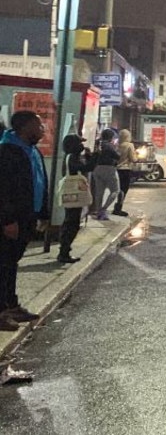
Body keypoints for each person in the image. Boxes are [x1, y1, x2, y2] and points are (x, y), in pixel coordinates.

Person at [0, 111, 49, 331]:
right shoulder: (8, 151)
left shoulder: (31, 150)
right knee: (3, 264)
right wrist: (8, 220)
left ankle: (11, 305)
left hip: (28, 215)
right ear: (25, 127)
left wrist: (43, 214)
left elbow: (40, 181)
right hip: (13, 220)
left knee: (11, 264)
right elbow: (4, 190)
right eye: (38, 125)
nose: (42, 129)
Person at [57, 133, 95, 264]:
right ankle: (64, 252)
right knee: (71, 224)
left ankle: (65, 251)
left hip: (73, 195)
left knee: (71, 222)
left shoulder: (72, 156)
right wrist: (93, 158)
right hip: (72, 195)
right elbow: (85, 168)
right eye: (79, 143)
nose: (82, 146)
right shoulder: (71, 157)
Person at [90, 128, 120, 220]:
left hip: (96, 169)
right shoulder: (108, 146)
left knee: (99, 192)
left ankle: (99, 211)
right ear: (111, 137)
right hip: (108, 168)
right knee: (115, 190)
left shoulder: (97, 144)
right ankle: (103, 209)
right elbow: (117, 156)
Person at [112, 128, 135, 216]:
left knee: (118, 189)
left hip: (117, 169)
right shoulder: (130, 145)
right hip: (125, 169)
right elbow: (133, 159)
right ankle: (118, 207)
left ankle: (116, 207)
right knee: (124, 190)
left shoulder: (117, 145)